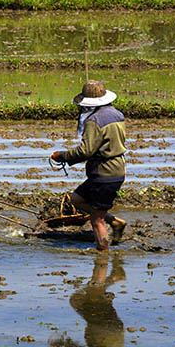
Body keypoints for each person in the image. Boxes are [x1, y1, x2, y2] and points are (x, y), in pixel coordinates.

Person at [51, 80, 127, 251]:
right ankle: (115, 222)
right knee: (76, 199)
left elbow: (86, 151)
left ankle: (103, 254)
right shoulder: (117, 114)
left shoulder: (94, 121)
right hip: (116, 169)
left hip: (104, 173)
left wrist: (63, 156)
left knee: (96, 219)